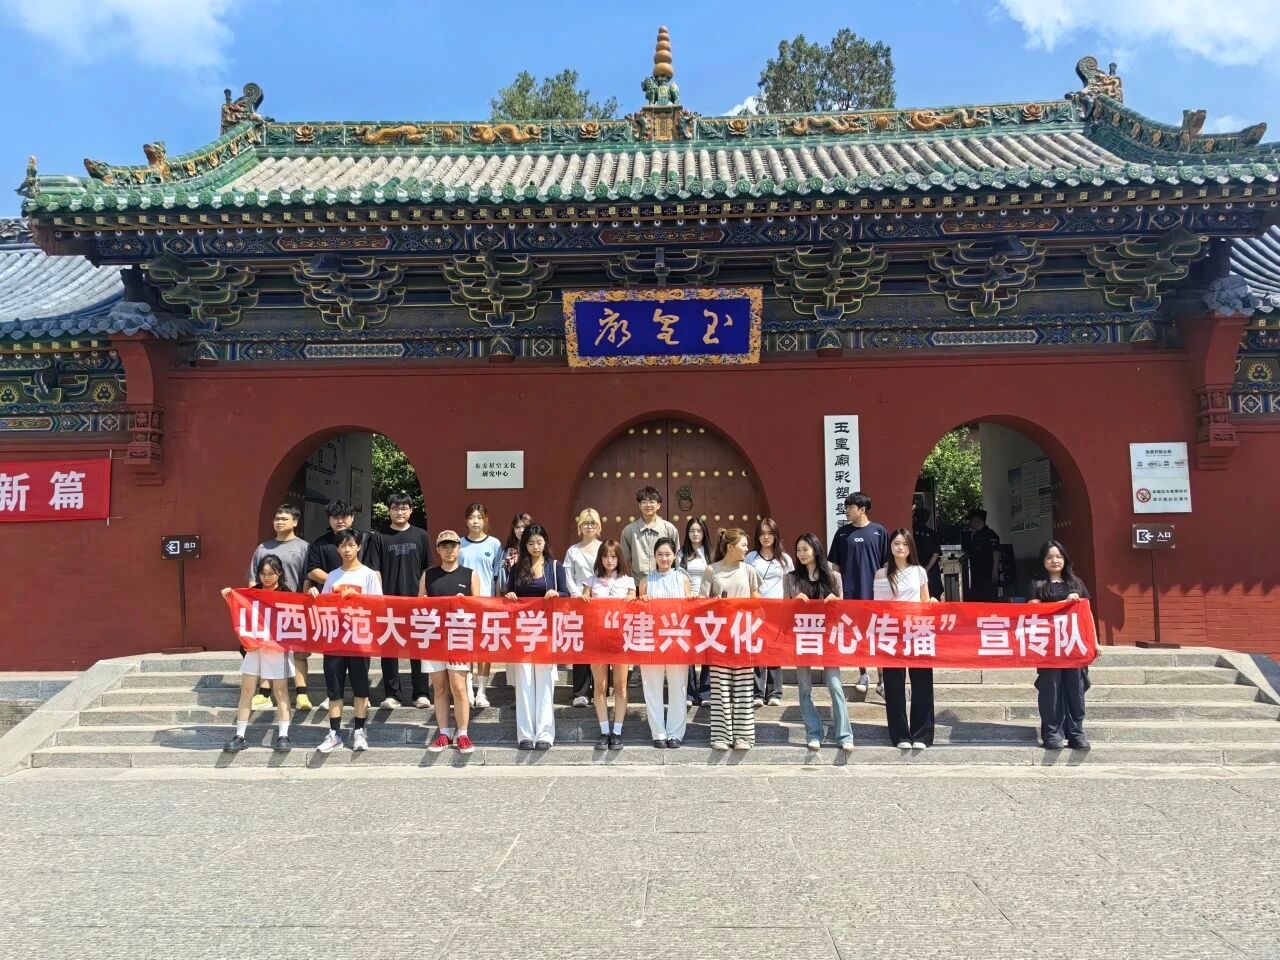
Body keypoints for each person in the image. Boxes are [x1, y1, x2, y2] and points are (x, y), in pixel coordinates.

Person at [503, 523, 569, 750]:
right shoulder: (516, 568)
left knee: (544, 682)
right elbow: (508, 594)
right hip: (522, 630)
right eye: (530, 543)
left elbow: (567, 594)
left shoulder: (555, 567)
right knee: (524, 681)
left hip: (546, 631)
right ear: (525, 545)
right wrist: (510, 596)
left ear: (545, 542)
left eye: (539, 542)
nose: (535, 547)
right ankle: (525, 735)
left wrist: (556, 593)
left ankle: (544, 734)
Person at [785, 533, 852, 753]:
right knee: (804, 688)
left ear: (815, 549)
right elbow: (783, 611)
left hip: (827, 637)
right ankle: (813, 733)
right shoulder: (791, 578)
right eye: (798, 550)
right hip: (803, 637)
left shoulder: (833, 577)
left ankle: (844, 735)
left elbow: (843, 610)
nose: (801, 554)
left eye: (805, 549)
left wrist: (836, 602)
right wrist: (793, 602)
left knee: (835, 686)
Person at [317, 528, 382, 753]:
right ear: (337, 549)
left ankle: (359, 732)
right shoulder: (332, 576)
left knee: (360, 687)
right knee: (334, 689)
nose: (347, 550)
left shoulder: (369, 575)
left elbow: (378, 606)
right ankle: (334, 734)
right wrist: (315, 598)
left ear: (359, 547)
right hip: (335, 639)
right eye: (343, 545)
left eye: (351, 545)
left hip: (359, 640)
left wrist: (358, 599)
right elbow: (323, 606)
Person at [221, 555, 293, 753]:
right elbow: (240, 612)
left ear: (279, 573)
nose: (266, 577)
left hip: (277, 648)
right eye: (263, 573)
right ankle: (240, 735)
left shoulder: (287, 594)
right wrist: (229, 596)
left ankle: (283, 735)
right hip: (254, 647)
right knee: (247, 690)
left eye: (271, 573)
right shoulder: (252, 594)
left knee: (280, 691)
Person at [700, 528, 762, 751]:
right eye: (743, 545)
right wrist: (714, 602)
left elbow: (758, 603)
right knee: (720, 688)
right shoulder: (712, 570)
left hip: (743, 634)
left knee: (744, 687)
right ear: (730, 547)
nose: (747, 549)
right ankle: (721, 735)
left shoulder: (749, 571)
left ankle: (744, 736)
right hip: (719, 636)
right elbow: (700, 602)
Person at [244, 503, 311, 710]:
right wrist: (254, 605)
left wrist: (303, 604)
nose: (279, 522)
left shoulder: (304, 547)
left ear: (295, 522)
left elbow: (307, 578)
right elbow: (253, 579)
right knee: (267, 650)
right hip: (267, 610)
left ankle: (302, 695)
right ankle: (264, 694)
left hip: (294, 608)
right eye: (277, 519)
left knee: (298, 651)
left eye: (284, 519)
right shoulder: (263, 548)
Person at [873, 529, 936, 750]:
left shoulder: (919, 571)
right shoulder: (881, 574)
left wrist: (932, 602)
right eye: (896, 543)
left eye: (905, 544)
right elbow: (878, 607)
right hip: (892, 632)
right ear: (890, 546)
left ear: (911, 547)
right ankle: (899, 735)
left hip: (918, 631)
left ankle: (922, 735)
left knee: (922, 683)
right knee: (894, 685)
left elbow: (925, 601)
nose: (900, 547)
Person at [422, 531, 482, 756]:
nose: (449, 550)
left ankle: (463, 733)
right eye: (444, 546)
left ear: (459, 548)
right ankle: (444, 733)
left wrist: (466, 603)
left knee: (459, 687)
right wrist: (425, 603)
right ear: (438, 550)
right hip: (433, 637)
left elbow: (479, 607)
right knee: (439, 688)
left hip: (459, 638)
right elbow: (418, 605)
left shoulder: (470, 574)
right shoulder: (428, 575)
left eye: (453, 546)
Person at [1030, 540, 1092, 751]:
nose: (1054, 560)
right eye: (1049, 557)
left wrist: (1094, 643)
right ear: (1043, 560)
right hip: (1048, 647)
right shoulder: (1037, 585)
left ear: (1065, 559)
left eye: (1058, 556)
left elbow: (1087, 616)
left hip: (1074, 645)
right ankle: (1051, 734)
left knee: (1076, 690)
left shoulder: (1076, 584)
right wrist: (1063, 603)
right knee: (1051, 690)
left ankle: (1076, 733)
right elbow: (1032, 611)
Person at [828, 491, 889, 696]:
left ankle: (882, 679)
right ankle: (863, 673)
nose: (846, 511)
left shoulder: (879, 532)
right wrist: (837, 592)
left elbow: (886, 564)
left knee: (877, 635)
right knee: (857, 634)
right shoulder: (842, 534)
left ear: (862, 509)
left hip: (875, 595)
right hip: (851, 594)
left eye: (850, 507)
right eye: (846, 507)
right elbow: (835, 567)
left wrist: (886, 591)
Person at [374, 492, 430, 710]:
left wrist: (422, 595)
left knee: (419, 648)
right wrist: (380, 597)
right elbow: (375, 570)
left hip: (415, 601)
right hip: (388, 602)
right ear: (389, 511)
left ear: (411, 510)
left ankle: (421, 694)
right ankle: (392, 695)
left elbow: (426, 568)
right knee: (389, 650)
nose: (399, 512)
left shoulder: (421, 535)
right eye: (395, 508)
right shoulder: (379, 536)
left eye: (404, 508)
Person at [578, 539, 635, 750]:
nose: (609, 560)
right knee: (600, 686)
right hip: (597, 640)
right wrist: (583, 599)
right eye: (605, 556)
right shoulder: (590, 581)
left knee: (620, 686)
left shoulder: (629, 581)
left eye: (613, 556)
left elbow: (634, 607)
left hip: (620, 639)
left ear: (619, 558)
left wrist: (634, 600)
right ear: (600, 558)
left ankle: (617, 731)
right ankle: (604, 731)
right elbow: (582, 605)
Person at [638, 537, 693, 748]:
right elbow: (639, 611)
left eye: (668, 554)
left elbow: (689, 609)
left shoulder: (682, 579)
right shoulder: (646, 581)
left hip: (676, 640)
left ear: (674, 556)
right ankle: (658, 733)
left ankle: (675, 733)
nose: (664, 558)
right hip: (652, 640)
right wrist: (642, 602)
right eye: (660, 554)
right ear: (654, 556)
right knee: (652, 687)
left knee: (678, 688)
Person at [459, 503, 505, 709]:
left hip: (487, 603)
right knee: (466, 647)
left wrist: (497, 601)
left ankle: (482, 692)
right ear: (466, 520)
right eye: (471, 517)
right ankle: (468, 691)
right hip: (465, 604)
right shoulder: (459, 544)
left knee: (484, 649)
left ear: (485, 519)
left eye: (479, 517)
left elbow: (497, 576)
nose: (475, 521)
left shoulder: (494, 544)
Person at [746, 517, 794, 707]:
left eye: (770, 533)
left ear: (776, 535)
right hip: (757, 610)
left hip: (778, 610)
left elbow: (790, 584)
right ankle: (757, 693)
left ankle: (774, 692)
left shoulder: (784, 559)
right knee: (758, 649)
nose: (766, 537)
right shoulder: (751, 557)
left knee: (775, 651)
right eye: (762, 533)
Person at [564, 508, 603, 708]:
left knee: (600, 647)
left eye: (593, 523)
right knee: (581, 647)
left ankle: (600, 689)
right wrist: (577, 594)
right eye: (585, 523)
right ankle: (580, 692)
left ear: (599, 526)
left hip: (601, 603)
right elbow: (569, 576)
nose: (589, 526)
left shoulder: (604, 548)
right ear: (579, 527)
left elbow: (611, 571)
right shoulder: (573, 551)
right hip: (579, 603)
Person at [679, 517, 713, 706]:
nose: (695, 534)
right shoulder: (681, 554)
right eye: (692, 530)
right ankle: (690, 693)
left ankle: (706, 692)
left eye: (699, 530)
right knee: (689, 649)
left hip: (708, 606)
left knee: (708, 646)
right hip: (688, 606)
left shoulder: (712, 553)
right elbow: (678, 578)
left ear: (704, 532)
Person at [620, 486, 679, 578]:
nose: (648, 505)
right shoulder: (629, 530)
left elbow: (677, 557)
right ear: (639, 505)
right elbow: (625, 560)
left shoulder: (669, 529)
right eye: (644, 502)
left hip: (664, 580)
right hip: (638, 581)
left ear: (658, 505)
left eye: (652, 502)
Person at [962, 508, 1001, 602]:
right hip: (977, 574)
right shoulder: (975, 535)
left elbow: (996, 552)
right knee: (977, 598)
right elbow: (974, 552)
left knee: (988, 599)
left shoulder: (990, 534)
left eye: (971, 520)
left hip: (987, 573)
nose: (970, 523)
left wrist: (995, 571)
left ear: (977, 520)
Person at [912, 506, 943, 600]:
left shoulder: (910, 533)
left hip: (915, 570)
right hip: (931, 571)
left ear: (915, 518)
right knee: (933, 598)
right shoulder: (932, 533)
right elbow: (935, 553)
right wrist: (926, 569)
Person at [500, 512, 532, 588]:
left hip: (533, 590)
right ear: (513, 530)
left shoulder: (536, 549)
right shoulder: (508, 552)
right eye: (517, 527)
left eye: (524, 527)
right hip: (512, 592)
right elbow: (501, 576)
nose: (521, 530)